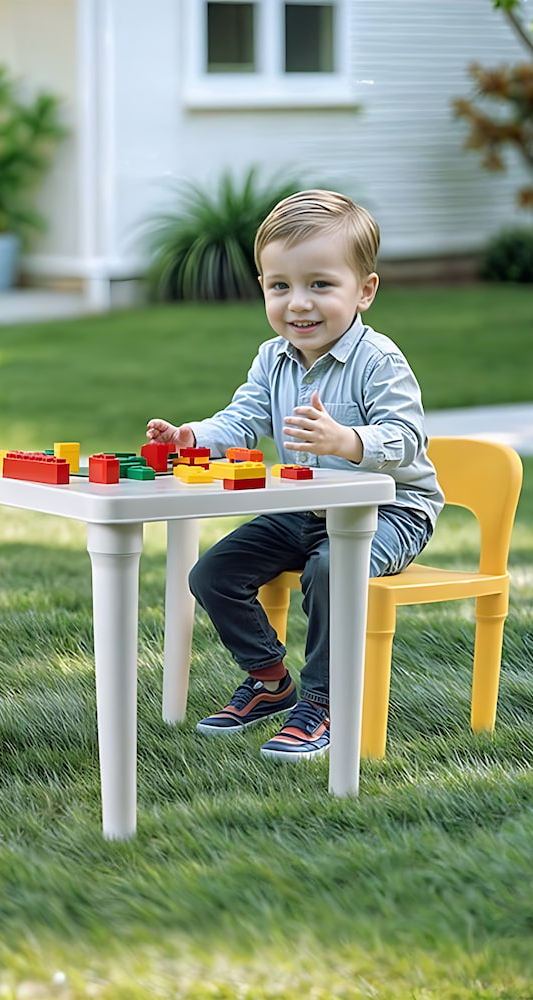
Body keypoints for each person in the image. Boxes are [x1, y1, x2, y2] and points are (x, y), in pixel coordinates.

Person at [146, 189, 443, 761]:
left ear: (365, 291)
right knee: (211, 572)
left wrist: (348, 442)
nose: (298, 304)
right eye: (280, 286)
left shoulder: (379, 361)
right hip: (305, 510)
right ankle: (269, 680)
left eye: (320, 285)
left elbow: (406, 441)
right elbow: (244, 419)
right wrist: (193, 437)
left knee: (331, 568)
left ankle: (324, 701)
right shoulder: (272, 358)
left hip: (388, 514)